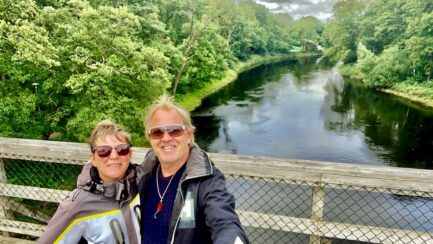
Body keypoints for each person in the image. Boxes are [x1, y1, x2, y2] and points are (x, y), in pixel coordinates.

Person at [138, 94, 249, 244]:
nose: (166, 138)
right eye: (157, 132)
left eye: (175, 130)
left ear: (189, 135)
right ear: (149, 138)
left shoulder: (207, 181)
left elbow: (225, 223)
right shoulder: (143, 174)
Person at [37, 120, 141, 244]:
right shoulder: (76, 205)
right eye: (104, 151)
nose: (114, 156)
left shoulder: (140, 184)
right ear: (93, 159)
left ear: (130, 155)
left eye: (122, 149)